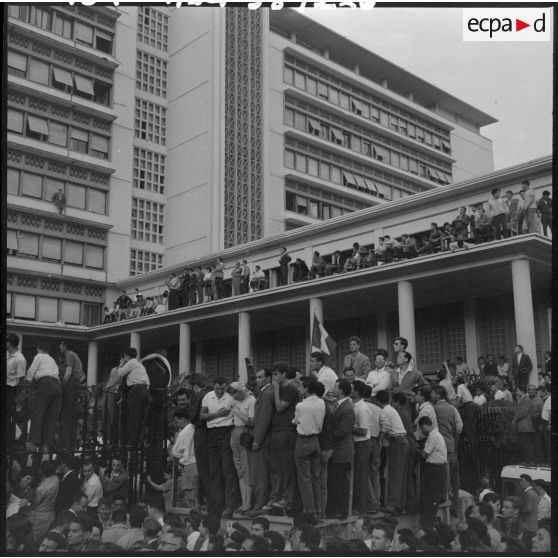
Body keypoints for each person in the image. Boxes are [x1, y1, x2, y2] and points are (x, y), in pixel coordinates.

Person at [200, 377, 239, 518]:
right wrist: (218, 414)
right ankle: (216, 505)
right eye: (217, 388)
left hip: (226, 432)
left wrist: (216, 416)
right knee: (214, 471)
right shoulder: (208, 396)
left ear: (226, 387)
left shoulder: (230, 398)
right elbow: (202, 415)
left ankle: (230, 505)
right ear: (213, 386)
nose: (220, 391)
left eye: (222, 388)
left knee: (227, 470)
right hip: (212, 433)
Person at [267, 361, 299, 513]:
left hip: (287, 432)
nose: (274, 377)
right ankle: (276, 497)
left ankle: (287, 498)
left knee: (287, 467)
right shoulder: (277, 389)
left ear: (284, 374)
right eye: (273, 374)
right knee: (276, 468)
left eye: (276, 374)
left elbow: (280, 406)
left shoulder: (290, 389)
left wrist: (277, 389)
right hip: (276, 432)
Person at [292, 376, 325, 518]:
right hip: (315, 440)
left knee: (304, 479)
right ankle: (318, 510)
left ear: (306, 389)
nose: (299, 388)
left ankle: (309, 511)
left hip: (303, 439)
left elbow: (295, 421)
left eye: (301, 386)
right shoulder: (321, 403)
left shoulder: (301, 405)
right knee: (315, 477)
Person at [24, 343, 62, 453]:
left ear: (38, 349)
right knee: (51, 416)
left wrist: (28, 382)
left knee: (38, 412)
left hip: (45, 383)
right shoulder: (52, 360)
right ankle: (46, 444)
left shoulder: (39, 356)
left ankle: (33, 442)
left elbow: (32, 370)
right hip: (56, 386)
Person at [247, 368, 274, 517]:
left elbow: (264, 418)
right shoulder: (265, 392)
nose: (257, 380)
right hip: (264, 438)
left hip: (263, 440)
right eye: (256, 377)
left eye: (260, 377)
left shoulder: (268, 393)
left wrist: (257, 440)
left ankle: (260, 503)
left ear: (268, 378)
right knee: (260, 473)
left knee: (261, 473)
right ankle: (260, 502)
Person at [431, 385, 462, 514]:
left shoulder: (433, 409)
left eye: (433, 393)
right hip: (451, 445)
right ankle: (455, 507)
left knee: (445, 478)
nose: (431, 395)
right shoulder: (452, 408)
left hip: (440, 447)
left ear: (438, 394)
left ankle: (447, 507)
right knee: (454, 479)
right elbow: (459, 427)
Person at [326, 379, 354, 519]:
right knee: (335, 481)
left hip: (341, 451)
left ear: (341, 390)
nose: (334, 389)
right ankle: (336, 509)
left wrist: (327, 436)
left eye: (336, 387)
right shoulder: (337, 405)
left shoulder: (347, 407)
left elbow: (344, 430)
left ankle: (342, 511)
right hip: (337, 450)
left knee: (340, 482)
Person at [376, 389, 408, 514]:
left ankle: (392, 504)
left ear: (378, 401)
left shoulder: (384, 411)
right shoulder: (391, 409)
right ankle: (397, 503)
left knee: (394, 474)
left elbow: (386, 427)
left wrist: (380, 440)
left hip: (397, 441)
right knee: (398, 474)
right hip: (400, 441)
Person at [229, 381, 256, 513]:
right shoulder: (235, 401)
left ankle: (248, 502)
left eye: (236, 393)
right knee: (239, 469)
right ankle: (243, 502)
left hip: (245, 432)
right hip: (235, 431)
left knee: (247, 468)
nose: (234, 396)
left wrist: (237, 411)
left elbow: (251, 422)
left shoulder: (251, 400)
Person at [418, 416, 448, 529]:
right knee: (431, 498)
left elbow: (424, 454)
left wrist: (416, 451)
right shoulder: (437, 435)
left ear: (424, 426)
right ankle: (428, 524)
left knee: (430, 499)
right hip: (438, 469)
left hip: (434, 469)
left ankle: (427, 526)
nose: (422, 431)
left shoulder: (433, 436)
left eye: (421, 429)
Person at [117, 347, 151, 447]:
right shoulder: (140, 365)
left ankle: (132, 443)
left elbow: (120, 373)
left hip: (136, 390)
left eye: (125, 356)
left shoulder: (131, 362)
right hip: (145, 390)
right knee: (142, 418)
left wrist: (121, 364)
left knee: (133, 417)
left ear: (127, 356)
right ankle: (139, 442)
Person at [188, 374, 210, 509]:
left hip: (201, 432)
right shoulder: (210, 394)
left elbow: (192, 416)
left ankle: (206, 498)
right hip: (210, 432)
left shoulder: (199, 396)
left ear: (195, 386)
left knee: (203, 467)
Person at [169, 408, 198, 509]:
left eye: (177, 422)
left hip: (190, 466)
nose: (177, 425)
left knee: (191, 499)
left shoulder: (184, 432)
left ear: (183, 419)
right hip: (197, 465)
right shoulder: (196, 428)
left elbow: (175, 453)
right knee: (195, 497)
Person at [350, 381, 371, 515]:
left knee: (361, 476)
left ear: (357, 392)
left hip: (362, 444)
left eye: (352, 389)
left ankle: (361, 507)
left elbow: (363, 430)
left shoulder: (362, 408)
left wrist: (348, 427)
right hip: (356, 443)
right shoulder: (353, 405)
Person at [30, 461, 60, 543]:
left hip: (41, 517)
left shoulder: (41, 488)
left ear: (41, 471)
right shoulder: (56, 479)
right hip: (51, 514)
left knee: (38, 542)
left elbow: (36, 503)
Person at [6, 333, 26, 443]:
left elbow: (21, 380)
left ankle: (10, 446)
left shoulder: (20, 359)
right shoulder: (7, 355)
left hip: (11, 390)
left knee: (7, 419)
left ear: (10, 343)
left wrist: (17, 398)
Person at [513, 385, 537, 465]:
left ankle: (531, 461)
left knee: (527, 444)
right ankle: (528, 460)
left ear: (522, 391)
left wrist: (514, 419)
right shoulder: (522, 399)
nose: (516, 392)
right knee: (524, 444)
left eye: (517, 390)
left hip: (525, 426)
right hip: (522, 426)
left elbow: (522, 412)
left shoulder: (526, 400)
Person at [518, 474, 539, 541]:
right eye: (520, 481)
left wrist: (517, 510)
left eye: (522, 481)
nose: (521, 483)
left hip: (528, 525)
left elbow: (528, 509)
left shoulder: (529, 493)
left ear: (528, 482)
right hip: (532, 525)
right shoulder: (532, 492)